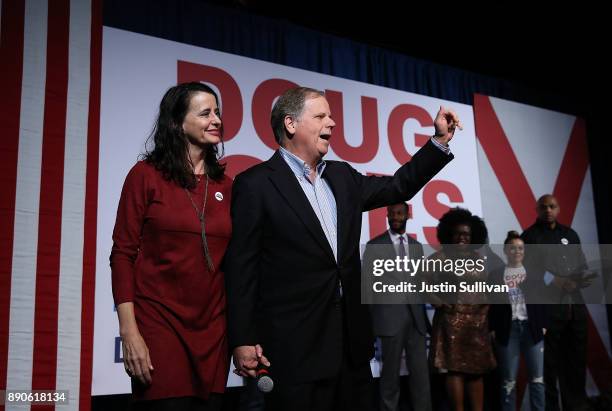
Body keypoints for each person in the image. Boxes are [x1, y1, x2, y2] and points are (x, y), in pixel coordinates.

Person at [224, 86, 459, 411]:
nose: (332, 123)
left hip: (351, 348)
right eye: (321, 116)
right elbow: (242, 269)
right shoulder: (256, 184)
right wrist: (242, 338)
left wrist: (439, 142)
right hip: (293, 351)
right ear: (291, 124)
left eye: (331, 116)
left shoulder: (343, 176)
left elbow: (398, 185)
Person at [110, 82, 232, 410]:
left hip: (214, 333)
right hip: (159, 325)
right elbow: (122, 254)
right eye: (205, 113)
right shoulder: (145, 176)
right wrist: (129, 332)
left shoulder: (228, 186)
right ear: (178, 123)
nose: (216, 119)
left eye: (217, 112)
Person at [521, 194, 589, 411]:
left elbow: (582, 266)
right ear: (537, 209)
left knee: (576, 364)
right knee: (548, 366)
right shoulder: (529, 237)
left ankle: (576, 406)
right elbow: (524, 273)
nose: (548, 210)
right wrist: (554, 280)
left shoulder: (570, 234)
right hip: (547, 312)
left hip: (575, 311)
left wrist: (578, 280)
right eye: (544, 207)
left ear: (558, 209)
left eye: (552, 206)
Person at [428, 208, 496, 411]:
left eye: (466, 234)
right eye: (457, 233)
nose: (461, 237)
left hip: (478, 324)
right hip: (452, 324)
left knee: (477, 370)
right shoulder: (439, 258)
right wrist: (437, 301)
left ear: (474, 235)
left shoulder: (480, 258)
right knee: (455, 370)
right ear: (449, 234)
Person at [367, 203, 432, 411]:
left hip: (416, 320)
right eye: (392, 213)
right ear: (387, 215)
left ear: (407, 216)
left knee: (421, 377)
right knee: (389, 377)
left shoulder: (416, 246)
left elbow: (421, 283)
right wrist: (369, 323)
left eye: (399, 213)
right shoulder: (374, 246)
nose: (395, 217)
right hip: (389, 320)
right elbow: (368, 287)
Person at [489, 231, 547, 411]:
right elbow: (491, 304)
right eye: (512, 248)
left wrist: (543, 324)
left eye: (520, 248)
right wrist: (492, 328)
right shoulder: (496, 275)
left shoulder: (534, 274)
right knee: (508, 380)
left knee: (537, 379)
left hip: (532, 329)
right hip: (508, 330)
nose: (517, 251)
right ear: (506, 251)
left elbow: (544, 300)